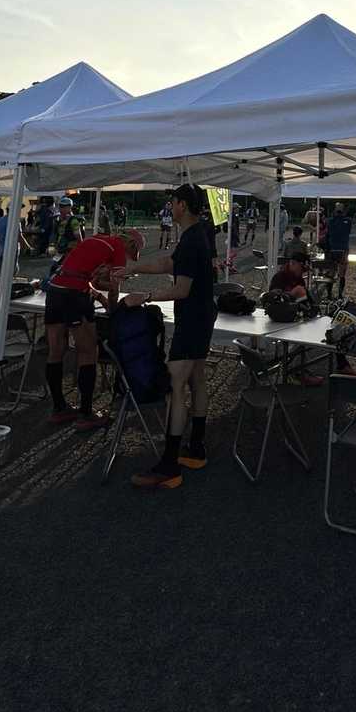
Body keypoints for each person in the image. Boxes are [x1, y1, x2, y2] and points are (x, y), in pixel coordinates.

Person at [121, 185, 218, 489]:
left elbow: (181, 289)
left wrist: (145, 297)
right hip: (202, 316)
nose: (170, 207)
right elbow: (169, 264)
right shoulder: (197, 234)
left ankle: (169, 465)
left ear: (182, 205)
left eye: (172, 202)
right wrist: (134, 267)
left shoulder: (192, 239)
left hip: (193, 320)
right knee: (197, 379)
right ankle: (196, 448)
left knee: (176, 387)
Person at [43, 225, 145, 431]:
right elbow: (114, 289)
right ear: (131, 244)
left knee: (55, 351)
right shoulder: (118, 248)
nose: (129, 257)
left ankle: (59, 408)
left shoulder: (96, 239)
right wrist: (113, 309)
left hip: (55, 290)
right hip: (74, 295)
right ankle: (86, 413)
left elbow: (82, 276)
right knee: (89, 352)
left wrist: (99, 296)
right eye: (132, 252)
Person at [325, 203, 352, 299]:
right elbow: (348, 231)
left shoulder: (330, 221)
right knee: (342, 274)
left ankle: (329, 294)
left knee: (331, 273)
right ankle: (340, 295)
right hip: (343, 249)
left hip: (332, 249)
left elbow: (328, 232)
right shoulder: (348, 221)